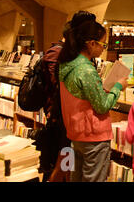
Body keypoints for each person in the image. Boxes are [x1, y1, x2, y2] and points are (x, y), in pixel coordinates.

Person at [58, 20, 127, 182]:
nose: (104, 48)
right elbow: (102, 106)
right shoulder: (87, 70)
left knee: (77, 178)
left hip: (76, 133)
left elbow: (81, 96)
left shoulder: (66, 65)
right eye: (103, 44)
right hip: (94, 136)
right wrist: (118, 86)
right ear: (91, 44)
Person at [38, 11, 97, 182]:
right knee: (63, 165)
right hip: (65, 122)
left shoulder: (73, 55)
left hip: (72, 121)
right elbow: (61, 87)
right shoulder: (62, 54)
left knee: (68, 165)